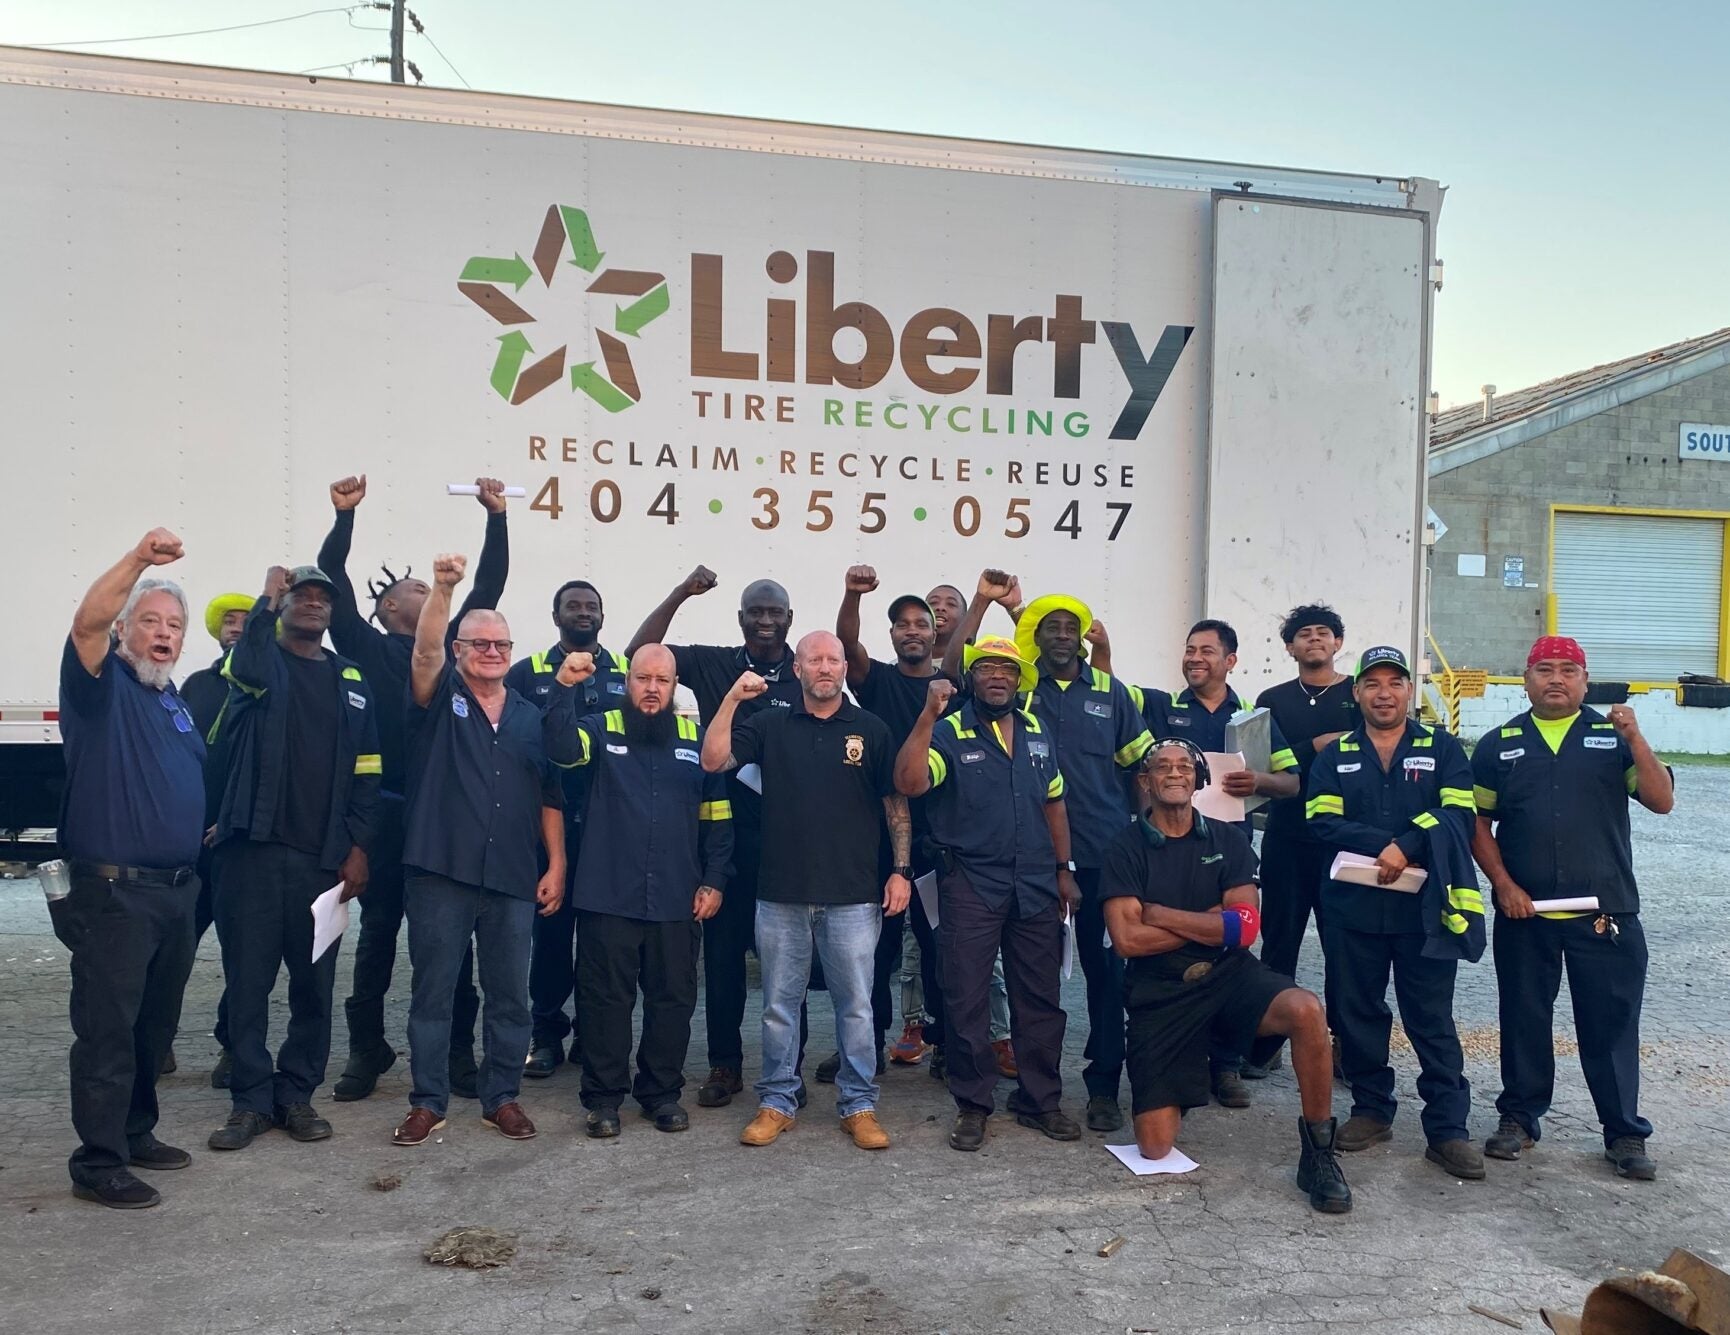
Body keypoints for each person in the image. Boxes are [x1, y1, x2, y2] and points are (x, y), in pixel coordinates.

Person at [1102, 739, 1351, 1213]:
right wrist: (1212, 922)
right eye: (1161, 767)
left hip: (1229, 974)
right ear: (1144, 782)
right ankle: (1185, 1076)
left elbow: (1246, 932)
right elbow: (1128, 942)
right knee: (1155, 1148)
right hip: (1161, 991)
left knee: (1306, 1010)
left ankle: (1319, 1152)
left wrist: (1160, 914)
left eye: (1184, 767)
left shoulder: (1228, 839)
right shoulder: (1124, 846)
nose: (1174, 774)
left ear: (1198, 781)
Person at [318, 474, 507, 1103]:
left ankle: (457, 1053)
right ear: (386, 610)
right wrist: (345, 518)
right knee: (375, 938)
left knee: (449, 944)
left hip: (443, 817)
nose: (427, 593)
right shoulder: (367, 649)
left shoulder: (455, 657)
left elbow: (488, 588)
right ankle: (366, 1049)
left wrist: (497, 518)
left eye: (431, 589)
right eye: (414, 590)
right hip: (386, 813)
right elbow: (330, 574)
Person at [948, 574, 1153, 1132]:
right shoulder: (1020, 696)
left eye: (1073, 629)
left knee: (1107, 975)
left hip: (1106, 858)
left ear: (1084, 640)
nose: (1062, 636)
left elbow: (1143, 768)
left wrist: (1149, 839)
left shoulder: (1115, 695)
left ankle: (1104, 1087)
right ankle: (1001, 1096)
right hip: (1032, 865)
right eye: (1050, 627)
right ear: (1034, 637)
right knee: (1026, 981)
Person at [1471, 636, 1674, 1180]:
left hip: (1605, 914)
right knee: (1523, 1020)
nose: (1555, 679)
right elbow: (1478, 825)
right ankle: (1518, 1119)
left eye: (1568, 670)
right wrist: (1503, 885)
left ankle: (1625, 1133)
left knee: (1609, 1027)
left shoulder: (1613, 738)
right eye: (1543, 669)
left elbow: (1661, 800)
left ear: (1585, 681)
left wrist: (1635, 737)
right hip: (1526, 915)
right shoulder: (1499, 744)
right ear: (1526, 678)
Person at [701, 631, 909, 1151]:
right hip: (781, 895)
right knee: (778, 1005)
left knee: (857, 1006)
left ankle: (858, 1105)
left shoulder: (871, 729)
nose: (824, 667)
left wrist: (901, 869)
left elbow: (895, 805)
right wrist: (731, 698)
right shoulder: (768, 724)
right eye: (813, 659)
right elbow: (713, 760)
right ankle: (777, 1101)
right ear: (797, 669)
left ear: (844, 668)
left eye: (832, 659)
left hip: (854, 896)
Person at [392, 555, 565, 1146]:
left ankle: (502, 1098)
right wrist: (443, 590)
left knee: (511, 994)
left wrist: (557, 863)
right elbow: (422, 654)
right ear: (459, 649)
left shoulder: (528, 717)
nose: (491, 651)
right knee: (435, 992)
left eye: (501, 644)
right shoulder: (436, 697)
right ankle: (428, 1101)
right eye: (479, 643)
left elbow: (548, 794)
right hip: (442, 869)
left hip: (513, 874)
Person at [204, 565, 378, 1152]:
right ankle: (250, 1101)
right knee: (248, 985)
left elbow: (368, 772)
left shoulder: (350, 679)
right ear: (281, 605)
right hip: (251, 854)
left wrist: (358, 848)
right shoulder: (256, 666)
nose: (312, 604)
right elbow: (246, 664)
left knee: (313, 987)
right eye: (300, 595)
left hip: (320, 863)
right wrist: (265, 596)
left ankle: (296, 1094)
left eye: (322, 598)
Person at [55, 529, 204, 1209]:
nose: (163, 633)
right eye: (149, 621)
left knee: (151, 1026)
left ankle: (136, 1130)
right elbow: (85, 619)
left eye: (174, 624)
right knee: (108, 1028)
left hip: (173, 895)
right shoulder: (101, 686)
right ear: (123, 631)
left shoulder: (171, 701)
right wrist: (140, 560)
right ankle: (99, 1159)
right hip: (114, 893)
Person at [894, 635, 1083, 1152]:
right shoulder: (950, 731)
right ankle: (974, 1103)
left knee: (1040, 998)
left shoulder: (1038, 731)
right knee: (966, 998)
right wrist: (927, 716)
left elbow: (1055, 805)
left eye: (1007, 669)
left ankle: (1039, 1100)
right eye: (986, 669)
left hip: (1037, 882)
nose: (997, 676)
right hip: (970, 883)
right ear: (972, 678)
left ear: (1019, 680)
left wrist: (1065, 870)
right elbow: (909, 783)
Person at [1306, 646, 1485, 1179]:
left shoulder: (1443, 748)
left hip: (1424, 911)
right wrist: (1391, 843)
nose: (1384, 693)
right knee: (1359, 1014)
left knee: (1430, 1019)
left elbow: (1459, 811)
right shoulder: (1335, 755)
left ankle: (1448, 1130)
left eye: (1395, 683)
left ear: (1409, 691)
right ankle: (1370, 1110)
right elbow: (1321, 819)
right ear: (1356, 693)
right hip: (1353, 909)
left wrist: (1406, 847)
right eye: (1373, 684)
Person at [628, 566, 803, 1108]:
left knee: (785, 967)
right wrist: (681, 591)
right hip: (724, 841)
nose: (766, 620)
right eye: (757, 611)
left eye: (775, 612)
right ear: (741, 619)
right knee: (724, 963)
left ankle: (787, 1071)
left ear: (789, 620)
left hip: (786, 846)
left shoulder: (805, 678)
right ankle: (725, 1066)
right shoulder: (712, 662)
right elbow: (642, 649)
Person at [544, 645, 732, 1136]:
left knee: (672, 1001)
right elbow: (561, 749)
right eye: (643, 679)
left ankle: (661, 1094)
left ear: (674, 687)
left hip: (678, 897)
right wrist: (564, 688)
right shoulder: (601, 727)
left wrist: (714, 879)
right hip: (609, 895)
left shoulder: (696, 737)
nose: (652, 689)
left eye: (663, 681)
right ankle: (604, 1099)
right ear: (628, 682)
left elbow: (718, 819)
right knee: (605, 1001)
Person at [1133, 619, 1300, 1108]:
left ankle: (1226, 1065)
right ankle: (1177, 1060)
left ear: (1230, 661)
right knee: (1171, 956)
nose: (1194, 658)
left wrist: (1260, 783)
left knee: (1228, 954)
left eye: (1206, 650)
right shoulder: (1164, 709)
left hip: (1229, 855)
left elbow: (1291, 781)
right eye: (1189, 649)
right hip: (1169, 855)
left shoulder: (1252, 720)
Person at [505, 579, 630, 1079]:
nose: (583, 612)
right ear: (556, 614)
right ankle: (546, 1031)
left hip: (611, 826)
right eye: (573, 606)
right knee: (551, 933)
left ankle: (593, 1031)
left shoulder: (625, 671)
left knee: (602, 937)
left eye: (591, 606)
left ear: (603, 615)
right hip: (547, 821)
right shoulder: (527, 672)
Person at [835, 567, 948, 1078]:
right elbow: (847, 643)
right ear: (894, 635)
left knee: (939, 948)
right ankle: (865, 1047)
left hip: (940, 840)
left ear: (933, 633)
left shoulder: (951, 689)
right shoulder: (877, 680)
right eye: (902, 624)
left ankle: (948, 1048)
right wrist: (852, 594)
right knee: (873, 952)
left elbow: (968, 645)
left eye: (920, 623)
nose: (912, 631)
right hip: (878, 839)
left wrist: (988, 602)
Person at [1249, 604, 1361, 1076]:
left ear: (1337, 643)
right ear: (1290, 647)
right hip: (1287, 837)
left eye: (1323, 633)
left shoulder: (1359, 695)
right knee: (1278, 943)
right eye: (1303, 634)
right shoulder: (1272, 699)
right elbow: (1257, 766)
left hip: (1344, 841)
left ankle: (1346, 1048)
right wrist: (1312, 748)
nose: (1314, 640)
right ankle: (1267, 1043)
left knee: (1346, 949)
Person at [170, 590, 250, 1082]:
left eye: (247, 619)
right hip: (192, 843)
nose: (237, 626)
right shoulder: (196, 685)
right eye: (230, 620)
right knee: (174, 947)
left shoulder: (264, 687)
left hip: (240, 844)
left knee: (242, 954)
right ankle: (157, 1040)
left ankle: (232, 1046)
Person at [181, 592, 252, 741]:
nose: (236, 629)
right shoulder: (196, 683)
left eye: (246, 623)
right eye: (229, 622)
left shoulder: (268, 685)